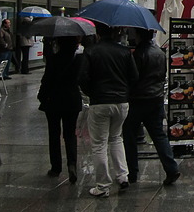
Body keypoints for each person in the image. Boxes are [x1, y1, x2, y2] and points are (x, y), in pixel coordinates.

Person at [78, 22, 139, 198]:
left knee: (99, 144)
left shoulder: (91, 52)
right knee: (116, 138)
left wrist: (92, 92)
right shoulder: (124, 52)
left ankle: (103, 185)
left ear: (98, 33)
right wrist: (124, 92)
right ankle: (122, 176)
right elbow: (134, 77)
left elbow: (82, 77)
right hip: (121, 103)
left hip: (100, 102)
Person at [122, 28, 180, 186]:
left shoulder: (138, 54)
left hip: (138, 99)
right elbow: (163, 75)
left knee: (129, 135)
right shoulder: (160, 53)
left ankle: (132, 172)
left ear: (139, 35)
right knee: (159, 135)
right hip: (156, 98)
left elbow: (133, 77)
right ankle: (171, 168)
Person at [37, 36, 83, 183]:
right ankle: (72, 164)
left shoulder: (53, 59)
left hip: (54, 100)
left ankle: (56, 167)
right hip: (72, 100)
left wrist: (42, 96)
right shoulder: (78, 60)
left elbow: (47, 80)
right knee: (70, 134)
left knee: (54, 133)